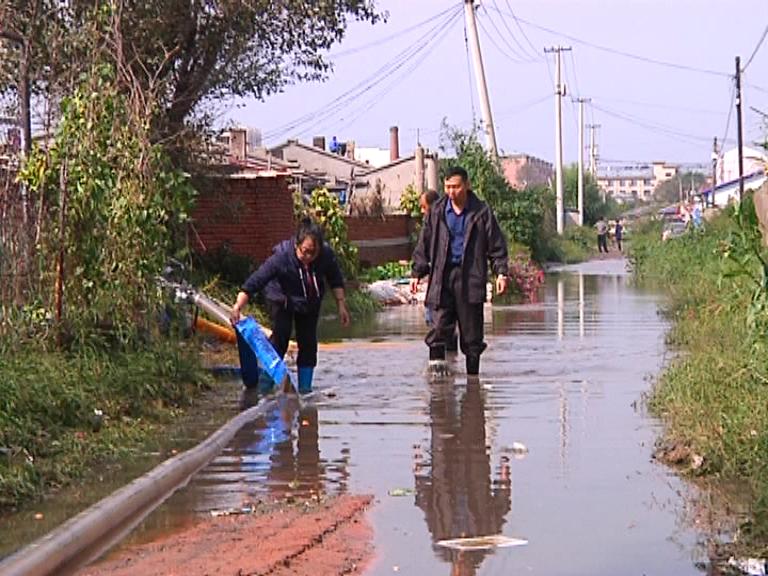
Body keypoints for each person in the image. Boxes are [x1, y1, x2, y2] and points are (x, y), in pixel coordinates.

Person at [230, 218, 350, 394]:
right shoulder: (281, 258)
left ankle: (304, 388)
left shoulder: (325, 255)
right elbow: (255, 281)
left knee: (308, 342)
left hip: (309, 300)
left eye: (313, 253)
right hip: (282, 298)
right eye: (305, 252)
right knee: (281, 338)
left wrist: (341, 305)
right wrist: (237, 306)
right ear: (296, 245)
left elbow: (335, 279)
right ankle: (264, 386)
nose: (308, 257)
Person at [410, 166, 509, 376]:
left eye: (456, 187)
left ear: (467, 185)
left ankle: (473, 389)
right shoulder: (436, 212)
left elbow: (496, 245)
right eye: (447, 187)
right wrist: (417, 273)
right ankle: (437, 388)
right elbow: (424, 244)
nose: (451, 192)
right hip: (442, 277)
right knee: (438, 328)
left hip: (470, 277)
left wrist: (501, 272)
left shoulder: (481, 213)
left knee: (472, 337)